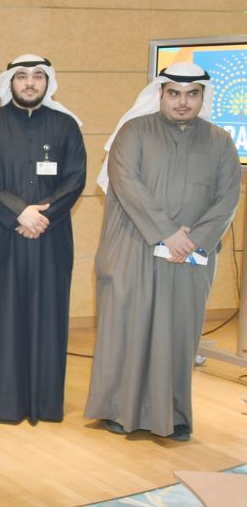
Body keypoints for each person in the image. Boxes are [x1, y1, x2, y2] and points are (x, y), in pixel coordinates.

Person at [86, 62, 240, 442]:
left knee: (178, 334)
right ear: (161, 94)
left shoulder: (220, 141)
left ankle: (173, 415)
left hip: (189, 257)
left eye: (191, 94)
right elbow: (126, 183)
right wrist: (167, 232)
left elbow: (228, 198)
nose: (182, 102)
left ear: (202, 97)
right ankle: (119, 411)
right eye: (174, 93)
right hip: (133, 249)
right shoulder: (133, 132)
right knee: (128, 330)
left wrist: (193, 240)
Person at [0, 55, 86, 424]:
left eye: (37, 76)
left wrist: (42, 216)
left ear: (48, 82)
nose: (30, 83)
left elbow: (76, 178)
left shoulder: (66, 126)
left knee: (46, 316)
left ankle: (43, 402)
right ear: (9, 82)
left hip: (50, 238)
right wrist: (19, 212)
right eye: (21, 76)